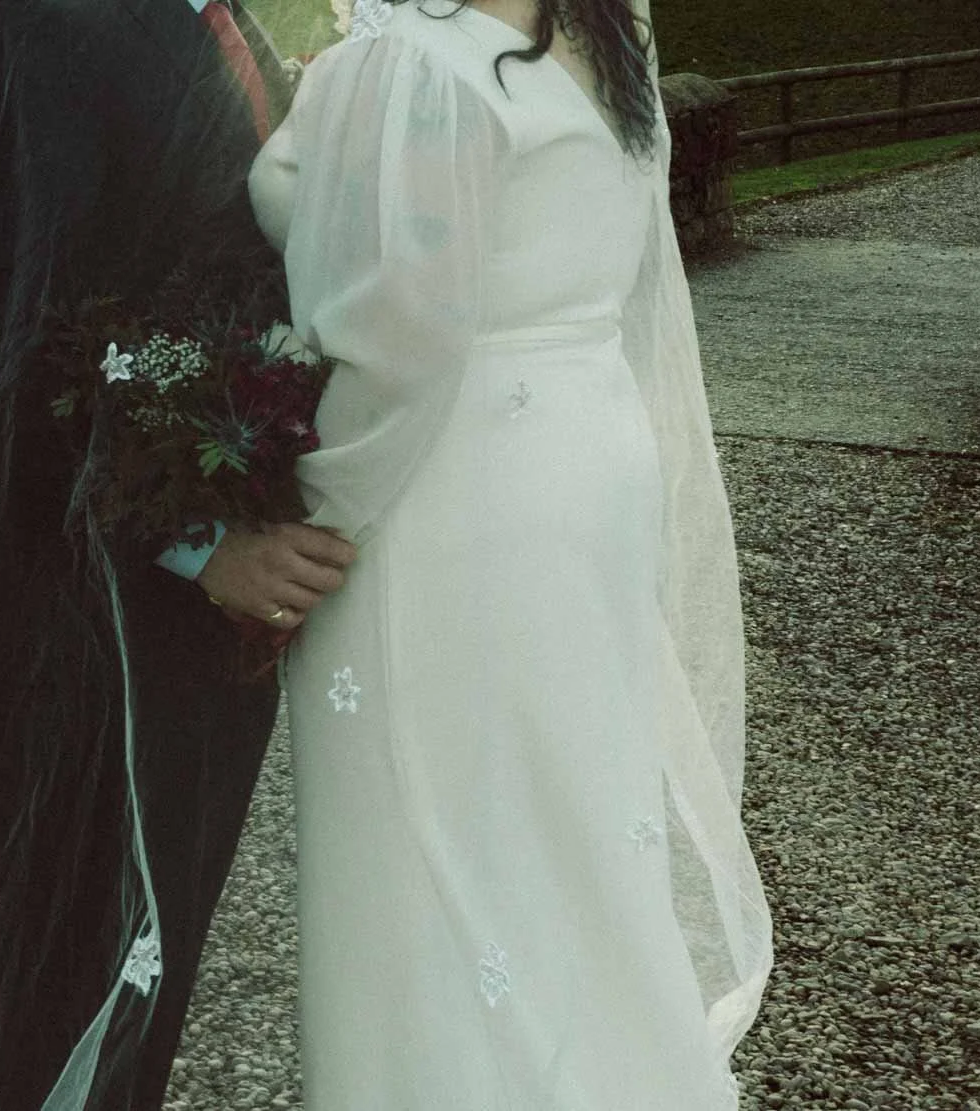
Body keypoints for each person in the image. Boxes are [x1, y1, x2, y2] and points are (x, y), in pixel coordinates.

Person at [0, 1, 351, 1107]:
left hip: (155, 603)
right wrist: (200, 543)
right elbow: (11, 344)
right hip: (77, 602)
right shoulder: (55, 24)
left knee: (121, 971)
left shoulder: (204, 18)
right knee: (56, 969)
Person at [247, 0, 773, 1105]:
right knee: (561, 821)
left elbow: (392, 338)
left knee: (429, 834)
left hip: (448, 486)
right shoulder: (604, 38)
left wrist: (310, 521)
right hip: (584, 458)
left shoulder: (415, 58)